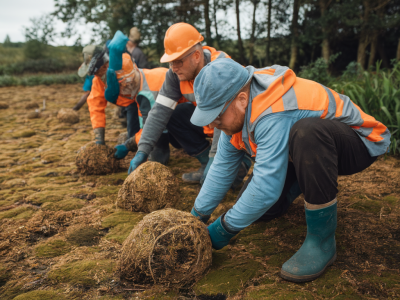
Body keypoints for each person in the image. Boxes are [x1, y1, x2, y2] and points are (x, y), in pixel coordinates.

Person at [189, 59, 391, 282]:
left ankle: (321, 240)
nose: (213, 123)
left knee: (307, 132)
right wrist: (195, 218)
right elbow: (221, 167)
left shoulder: (272, 111)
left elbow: (265, 189)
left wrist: (222, 230)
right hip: (304, 154)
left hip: (358, 143)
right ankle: (298, 180)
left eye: (217, 115)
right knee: (260, 210)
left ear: (242, 99)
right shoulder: (236, 113)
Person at [125, 22, 251, 186]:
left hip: (238, 128)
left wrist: (216, 157)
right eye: (170, 62)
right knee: (175, 114)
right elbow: (159, 112)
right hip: (212, 124)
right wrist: (143, 149)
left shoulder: (220, 68)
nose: (174, 68)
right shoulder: (174, 75)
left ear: (197, 56)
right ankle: (206, 162)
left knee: (225, 182)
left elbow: (228, 115)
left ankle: (242, 161)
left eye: (178, 61)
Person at [105, 30, 173, 165]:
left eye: (122, 92)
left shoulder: (148, 93)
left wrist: (129, 145)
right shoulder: (141, 81)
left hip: (196, 120)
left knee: (158, 135)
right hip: (181, 117)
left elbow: (151, 128)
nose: (123, 96)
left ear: (126, 83)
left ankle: (203, 155)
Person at [73, 45, 98, 111]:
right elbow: (81, 71)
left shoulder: (88, 60)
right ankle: (76, 108)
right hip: (92, 78)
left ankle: (91, 107)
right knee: (88, 93)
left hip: (91, 78)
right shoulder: (91, 60)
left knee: (92, 94)